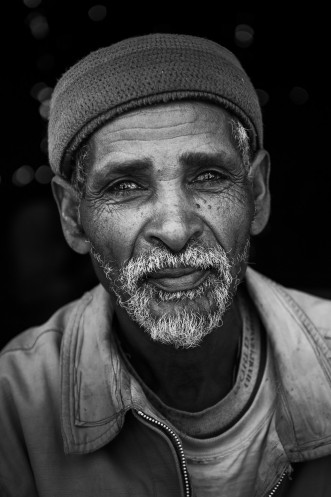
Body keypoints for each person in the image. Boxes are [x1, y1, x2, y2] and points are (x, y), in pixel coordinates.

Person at [0, 33, 330, 497]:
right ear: (73, 217)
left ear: (256, 194)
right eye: (124, 186)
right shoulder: (15, 403)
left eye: (210, 177)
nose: (175, 230)